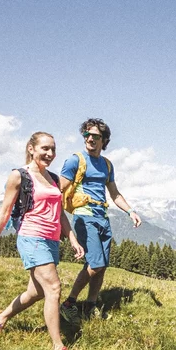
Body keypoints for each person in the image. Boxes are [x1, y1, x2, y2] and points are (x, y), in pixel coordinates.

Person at [0, 131, 85, 350]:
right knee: (54, 288)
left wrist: (72, 238)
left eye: (53, 150)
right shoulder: (19, 176)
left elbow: (60, 214)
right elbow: (5, 211)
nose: (50, 154)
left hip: (51, 240)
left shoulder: (54, 179)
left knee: (35, 292)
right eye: (45, 148)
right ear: (31, 149)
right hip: (31, 237)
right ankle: (58, 346)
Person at [59, 118, 140, 318]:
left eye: (96, 136)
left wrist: (131, 211)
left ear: (104, 140)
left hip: (102, 216)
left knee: (101, 266)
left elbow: (114, 194)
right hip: (84, 216)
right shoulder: (75, 160)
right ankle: (69, 303)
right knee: (95, 263)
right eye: (87, 134)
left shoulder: (107, 165)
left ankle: (90, 305)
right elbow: (58, 189)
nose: (91, 139)